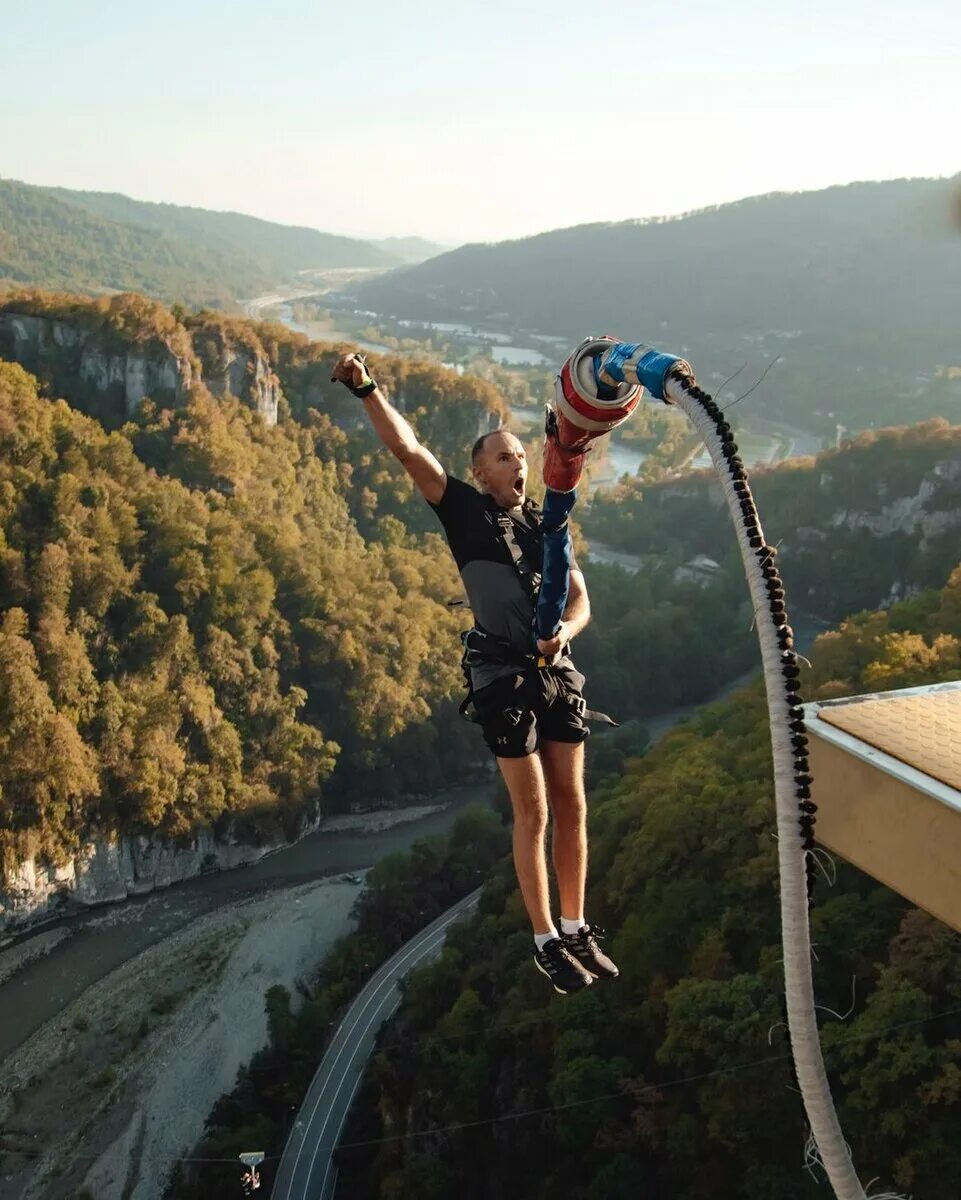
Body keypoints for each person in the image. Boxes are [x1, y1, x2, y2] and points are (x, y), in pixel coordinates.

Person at [332, 352, 618, 995]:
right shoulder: (463, 510)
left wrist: (563, 634)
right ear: (478, 472)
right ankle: (546, 937)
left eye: (520, 454)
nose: (516, 461)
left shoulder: (548, 525)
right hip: (503, 678)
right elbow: (408, 452)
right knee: (535, 811)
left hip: (555, 669)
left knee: (573, 804)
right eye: (503, 454)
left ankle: (576, 925)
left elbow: (580, 598)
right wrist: (368, 389)